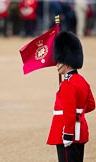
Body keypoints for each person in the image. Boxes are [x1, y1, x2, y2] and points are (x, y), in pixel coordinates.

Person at [47, 31, 95, 162]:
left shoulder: (67, 84)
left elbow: (69, 111)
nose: (56, 64)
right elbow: (91, 105)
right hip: (80, 131)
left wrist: (67, 134)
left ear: (66, 63)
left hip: (67, 133)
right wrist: (79, 115)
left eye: (59, 62)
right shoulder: (82, 81)